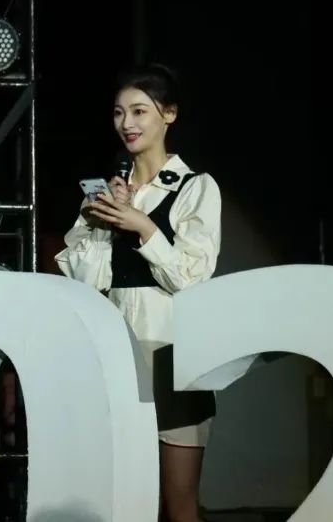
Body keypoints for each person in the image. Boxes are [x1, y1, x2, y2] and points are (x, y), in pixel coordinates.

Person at [55, 64, 222, 522]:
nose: (126, 123)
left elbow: (191, 278)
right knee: (125, 502)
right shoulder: (107, 194)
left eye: (139, 111)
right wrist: (98, 223)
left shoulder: (194, 188)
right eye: (118, 112)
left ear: (169, 114)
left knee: (179, 503)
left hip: (174, 356)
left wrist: (143, 225)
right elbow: (83, 281)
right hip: (116, 355)